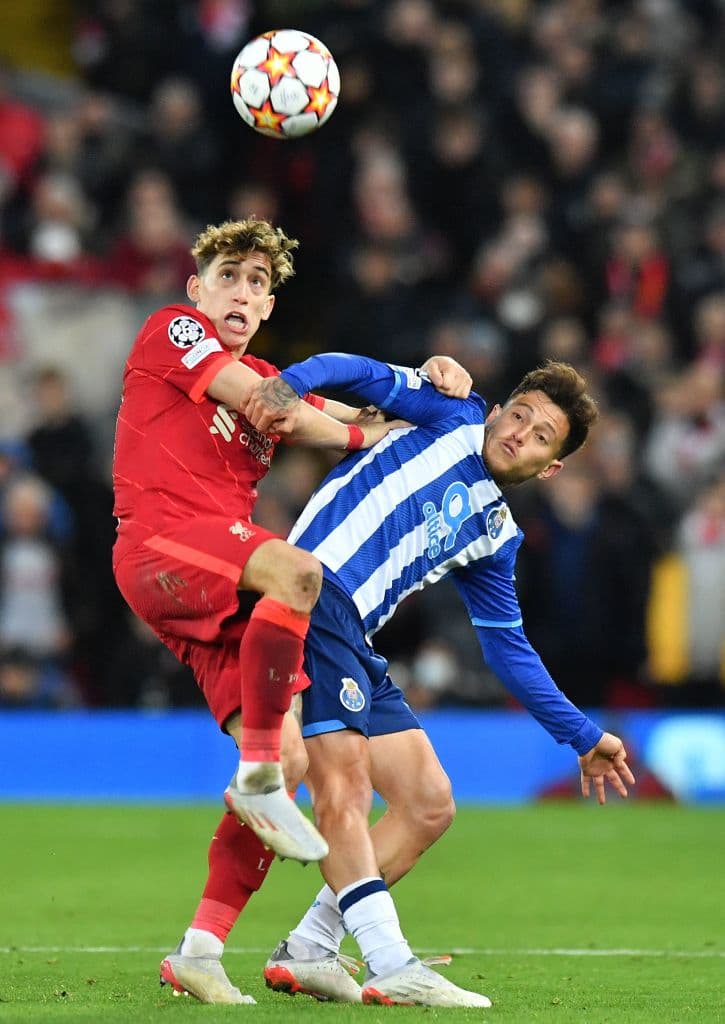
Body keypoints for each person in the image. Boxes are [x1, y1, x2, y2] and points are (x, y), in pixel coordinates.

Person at [165, 354, 635, 1007]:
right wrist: (291, 385)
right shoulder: (449, 409)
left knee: (426, 802)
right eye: (519, 414)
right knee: (341, 782)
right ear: (499, 408)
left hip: (354, 636)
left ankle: (306, 948)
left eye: (539, 436)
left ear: (550, 468)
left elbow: (507, 648)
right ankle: (389, 962)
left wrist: (581, 735)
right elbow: (354, 372)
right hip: (311, 593)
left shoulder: (495, 533)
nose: (518, 434)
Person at [110, 217, 471, 1001]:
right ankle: (260, 775)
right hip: (161, 543)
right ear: (196, 288)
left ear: (269, 308)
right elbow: (270, 404)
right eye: (229, 276)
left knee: (301, 757)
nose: (241, 292)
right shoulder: (172, 332)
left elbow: (313, 418)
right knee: (297, 574)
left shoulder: (272, 372)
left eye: (257, 284)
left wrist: (422, 391)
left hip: (214, 581)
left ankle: (199, 951)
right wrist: (354, 423)